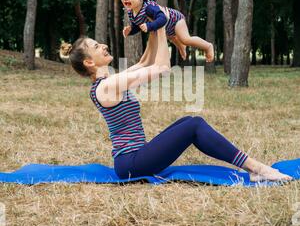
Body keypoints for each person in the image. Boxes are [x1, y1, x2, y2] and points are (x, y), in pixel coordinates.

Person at [60, 27, 292, 183]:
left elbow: (145, 62)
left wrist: (151, 26)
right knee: (193, 126)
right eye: (95, 46)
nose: (102, 45)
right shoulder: (107, 86)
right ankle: (257, 169)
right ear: (89, 61)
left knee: (189, 122)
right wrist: (161, 27)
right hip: (130, 163)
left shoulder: (109, 82)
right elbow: (161, 67)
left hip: (135, 157)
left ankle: (253, 168)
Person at [111, 0, 214, 62]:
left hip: (175, 19)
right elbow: (139, 25)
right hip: (166, 28)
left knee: (185, 39)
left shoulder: (149, 8)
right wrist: (131, 30)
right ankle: (181, 47)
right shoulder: (131, 11)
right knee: (172, 37)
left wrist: (149, 26)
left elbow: (163, 18)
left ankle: (208, 46)